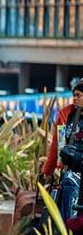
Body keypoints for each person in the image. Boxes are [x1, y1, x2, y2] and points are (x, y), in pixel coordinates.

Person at [42, 81, 83, 221]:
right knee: (66, 208)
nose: (75, 98)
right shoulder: (66, 116)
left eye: (79, 95)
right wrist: (47, 171)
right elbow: (56, 147)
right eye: (74, 95)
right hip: (68, 171)